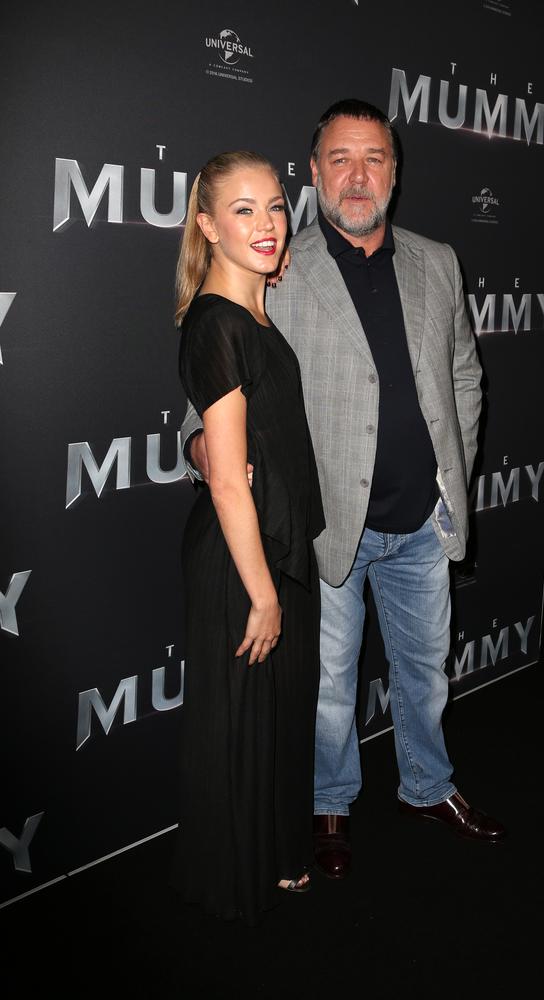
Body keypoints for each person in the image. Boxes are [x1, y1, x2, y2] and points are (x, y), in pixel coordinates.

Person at [182, 101, 505, 881]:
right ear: (316, 172)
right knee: (329, 686)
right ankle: (330, 801)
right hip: (329, 530)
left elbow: (464, 372)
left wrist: (444, 471)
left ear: (396, 172)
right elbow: (207, 403)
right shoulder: (279, 263)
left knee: (427, 670)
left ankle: (427, 786)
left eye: (374, 158)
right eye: (339, 159)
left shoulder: (439, 261)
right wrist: (203, 451)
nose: (357, 175)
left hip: (420, 521)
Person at [171, 151, 324, 924]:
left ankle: (278, 858)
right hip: (243, 561)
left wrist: (270, 269)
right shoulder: (216, 321)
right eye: (242, 210)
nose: (265, 224)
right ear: (206, 224)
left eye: (274, 207)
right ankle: (235, 880)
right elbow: (228, 477)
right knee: (241, 724)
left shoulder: (251, 307)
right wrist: (262, 593)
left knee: (278, 720)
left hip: (277, 548)